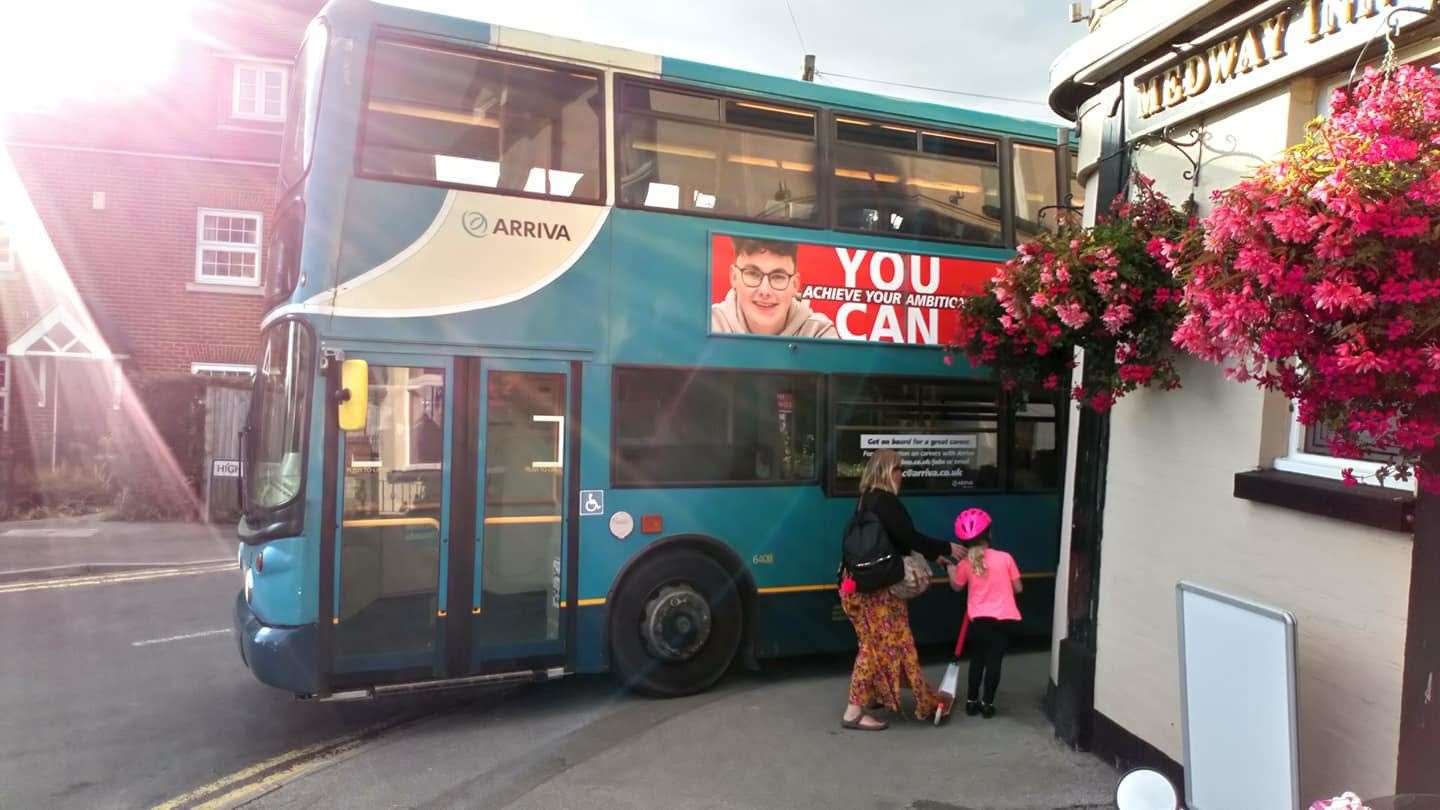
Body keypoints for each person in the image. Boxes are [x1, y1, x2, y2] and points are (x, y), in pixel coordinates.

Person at [839, 449, 966, 731]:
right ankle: (853, 711)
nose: (903, 475)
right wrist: (945, 548)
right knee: (874, 647)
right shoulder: (886, 501)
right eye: (899, 469)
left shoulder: (865, 499)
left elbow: (893, 541)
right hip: (877, 591)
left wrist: (936, 556)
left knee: (878, 643)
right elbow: (909, 537)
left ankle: (872, 697)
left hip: (855, 585)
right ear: (888, 472)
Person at [945, 508, 1023, 719]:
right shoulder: (1006, 558)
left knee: (977, 660)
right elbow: (1018, 588)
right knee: (994, 661)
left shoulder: (965, 563)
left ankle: (971, 702)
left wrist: (950, 569)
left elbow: (957, 587)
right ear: (989, 534)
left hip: (979, 620)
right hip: (1005, 619)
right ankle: (987, 704)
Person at [711, 237, 837, 338]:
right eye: (753, 274)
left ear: (795, 285)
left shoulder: (819, 333)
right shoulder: (709, 323)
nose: (765, 291)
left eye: (778, 277)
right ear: (733, 277)